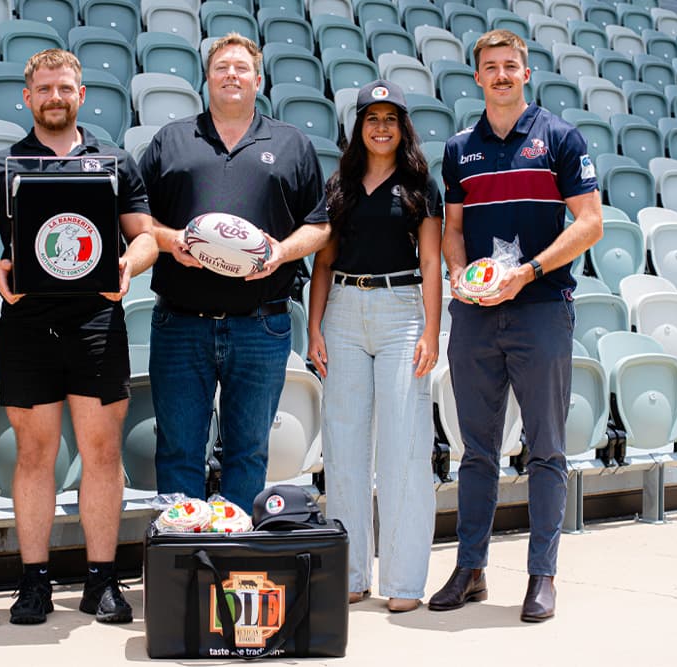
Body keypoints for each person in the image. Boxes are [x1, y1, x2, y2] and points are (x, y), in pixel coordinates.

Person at [0, 49, 157, 626]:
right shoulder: (1, 165)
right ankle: (35, 582)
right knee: (36, 454)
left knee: (101, 452)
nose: (54, 97)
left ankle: (102, 581)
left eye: (64, 87)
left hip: (97, 321)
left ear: (81, 94)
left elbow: (143, 236)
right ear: (27, 97)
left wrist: (129, 267)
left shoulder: (116, 162)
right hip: (27, 325)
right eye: (43, 88)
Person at [428, 29, 603, 622]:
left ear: (526, 74)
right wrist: (458, 272)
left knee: (546, 450)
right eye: (490, 68)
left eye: (511, 67)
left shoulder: (559, 138)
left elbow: (590, 224)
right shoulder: (459, 149)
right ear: (476, 78)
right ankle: (470, 569)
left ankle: (541, 576)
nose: (501, 76)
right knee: (476, 452)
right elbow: (452, 228)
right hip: (476, 316)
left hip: (541, 310)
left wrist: (527, 272)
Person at [138, 33, 330, 511]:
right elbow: (136, 218)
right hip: (181, 322)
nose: (231, 75)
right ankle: (184, 564)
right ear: (207, 78)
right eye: (221, 67)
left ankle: (237, 567)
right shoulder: (172, 140)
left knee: (249, 454)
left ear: (258, 79)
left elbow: (321, 225)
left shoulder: (292, 144)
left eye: (241, 68)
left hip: (261, 324)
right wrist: (171, 241)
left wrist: (282, 252)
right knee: (179, 452)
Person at [306, 80, 442, 613]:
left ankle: (405, 583)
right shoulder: (338, 185)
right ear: (357, 126)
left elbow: (432, 262)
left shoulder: (421, 185)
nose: (380, 126)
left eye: (390, 118)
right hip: (341, 312)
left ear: (402, 126)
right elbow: (322, 261)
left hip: (401, 312)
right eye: (371, 117)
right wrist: (314, 327)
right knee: (343, 447)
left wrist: (432, 329)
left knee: (404, 446)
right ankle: (352, 573)